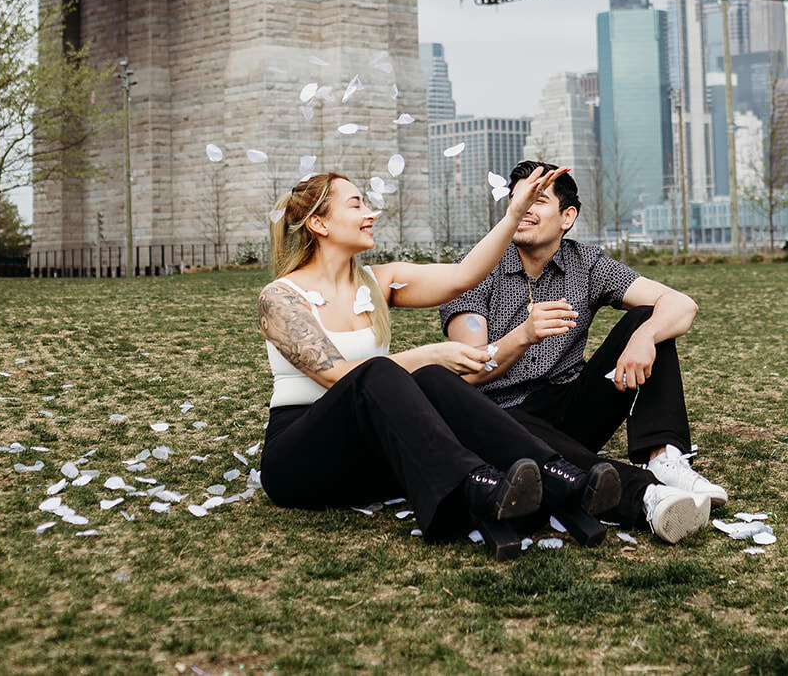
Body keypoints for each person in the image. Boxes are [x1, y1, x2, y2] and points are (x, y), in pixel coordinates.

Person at [258, 166, 619, 558]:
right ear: (319, 224)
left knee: (431, 378)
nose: (371, 213)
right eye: (356, 203)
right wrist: (429, 354)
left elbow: (463, 276)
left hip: (372, 455)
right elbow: (339, 376)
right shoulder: (279, 297)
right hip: (301, 461)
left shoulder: (377, 282)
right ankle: (477, 484)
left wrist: (514, 214)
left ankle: (556, 473)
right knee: (386, 370)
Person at [440, 160, 727, 544]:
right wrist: (522, 336)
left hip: (571, 405)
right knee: (526, 434)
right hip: (503, 417)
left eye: (538, 200)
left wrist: (646, 335)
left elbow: (681, 304)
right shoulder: (476, 269)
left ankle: (664, 458)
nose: (524, 208)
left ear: (567, 217)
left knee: (648, 316)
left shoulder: (585, 264)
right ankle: (649, 497)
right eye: (517, 198)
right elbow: (469, 372)